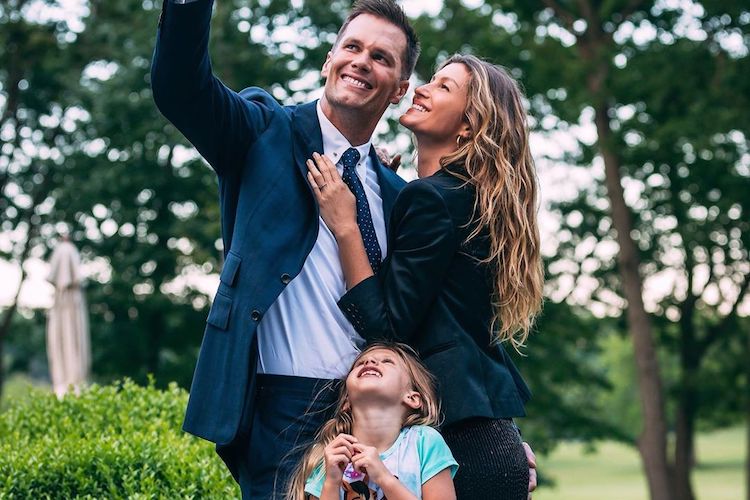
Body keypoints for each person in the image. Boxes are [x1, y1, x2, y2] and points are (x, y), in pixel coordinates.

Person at [151, 0, 417, 497]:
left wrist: (495, 432)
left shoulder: (399, 196)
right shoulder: (262, 132)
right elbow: (181, 89)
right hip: (283, 410)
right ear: (329, 60)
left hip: (376, 418)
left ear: (400, 88)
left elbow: (422, 320)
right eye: (352, 47)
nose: (362, 61)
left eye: (382, 57)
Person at [307, 54, 544, 499]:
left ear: (469, 125)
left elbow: (386, 326)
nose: (421, 88)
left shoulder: (432, 199)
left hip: (459, 436)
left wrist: (346, 225)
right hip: (487, 434)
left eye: (443, 87)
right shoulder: (467, 198)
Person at [288, 342, 458, 500]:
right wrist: (331, 482)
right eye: (360, 364)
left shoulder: (424, 441)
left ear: (412, 398)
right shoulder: (332, 455)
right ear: (346, 401)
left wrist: (384, 478)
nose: (369, 361)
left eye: (387, 361)